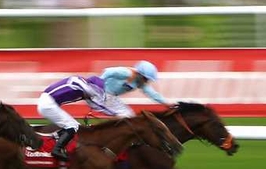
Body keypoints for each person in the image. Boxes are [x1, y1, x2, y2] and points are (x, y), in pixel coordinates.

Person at [38, 60, 170, 161]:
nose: (146, 81)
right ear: (139, 74)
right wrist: (100, 84)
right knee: (127, 116)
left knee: (128, 115)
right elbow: (108, 71)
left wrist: (166, 103)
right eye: (146, 78)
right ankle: (112, 138)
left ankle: (123, 138)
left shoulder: (140, 82)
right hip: (101, 92)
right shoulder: (126, 72)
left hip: (103, 94)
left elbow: (152, 93)